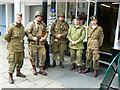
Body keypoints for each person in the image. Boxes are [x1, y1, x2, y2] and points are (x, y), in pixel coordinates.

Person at [4, 12, 26, 84]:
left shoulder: (22, 27)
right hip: (13, 48)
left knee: (20, 62)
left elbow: (22, 36)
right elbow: (6, 37)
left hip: (20, 47)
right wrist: (11, 42)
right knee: (12, 62)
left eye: (20, 18)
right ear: (15, 18)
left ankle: (18, 72)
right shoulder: (11, 27)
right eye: (18, 18)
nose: (19, 19)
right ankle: (10, 76)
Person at [25, 11, 49, 76]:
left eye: (40, 16)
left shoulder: (42, 24)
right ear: (35, 17)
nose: (39, 17)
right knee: (33, 57)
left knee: (43, 56)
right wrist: (32, 38)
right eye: (38, 16)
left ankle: (41, 69)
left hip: (41, 43)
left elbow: (47, 32)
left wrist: (44, 38)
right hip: (33, 44)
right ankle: (34, 68)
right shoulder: (31, 23)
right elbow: (27, 32)